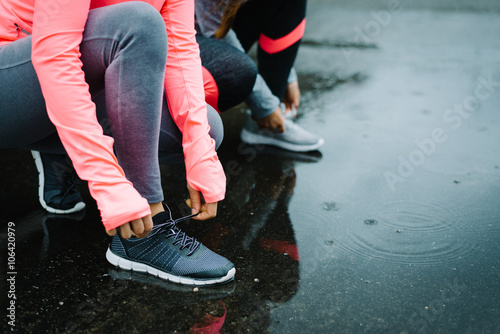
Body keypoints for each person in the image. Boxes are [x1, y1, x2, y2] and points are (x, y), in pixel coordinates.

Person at [0, 0, 236, 285]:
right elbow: (56, 57)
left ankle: (62, 152)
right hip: (13, 80)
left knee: (208, 130)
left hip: (67, 72)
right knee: (137, 22)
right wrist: (107, 181)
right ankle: (145, 233)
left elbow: (180, 49)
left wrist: (201, 153)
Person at [196, 0, 324, 152]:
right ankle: (266, 120)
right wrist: (265, 105)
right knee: (238, 69)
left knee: (287, 3)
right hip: (177, 52)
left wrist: (285, 73)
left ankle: (266, 127)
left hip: (202, 29)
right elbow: (217, 33)